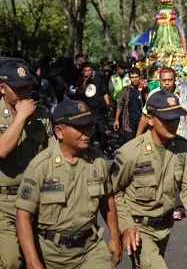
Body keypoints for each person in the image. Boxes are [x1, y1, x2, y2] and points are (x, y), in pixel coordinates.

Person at [15, 100, 122, 268]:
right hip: (51, 254)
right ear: (59, 132)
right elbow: (23, 215)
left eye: (89, 126)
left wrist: (115, 238)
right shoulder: (40, 165)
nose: (87, 132)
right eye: (80, 128)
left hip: (89, 248)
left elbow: (107, 201)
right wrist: (32, 261)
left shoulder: (97, 160)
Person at [110, 90, 187, 268]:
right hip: (138, 228)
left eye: (176, 118)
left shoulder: (182, 148)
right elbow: (114, 191)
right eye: (167, 119)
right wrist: (126, 226)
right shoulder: (130, 152)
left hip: (165, 226)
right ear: (150, 119)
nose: (173, 124)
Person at [0, 59, 53, 269]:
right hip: (4, 202)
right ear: (2, 89)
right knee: (11, 261)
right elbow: (2, 150)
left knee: (43, 259)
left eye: (28, 86)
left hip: (35, 198)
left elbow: (52, 154)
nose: (25, 92)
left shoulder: (41, 115)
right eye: (18, 88)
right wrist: (20, 117)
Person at [75, 62, 111, 154]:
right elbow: (80, 92)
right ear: (82, 71)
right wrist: (85, 81)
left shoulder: (98, 79)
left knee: (101, 129)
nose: (88, 72)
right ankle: (90, 149)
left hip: (100, 107)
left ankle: (104, 147)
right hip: (88, 109)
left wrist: (108, 105)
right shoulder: (80, 80)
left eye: (89, 70)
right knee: (90, 129)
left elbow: (104, 92)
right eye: (85, 70)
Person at [136, 67, 176, 137]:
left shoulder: (181, 94)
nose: (167, 83)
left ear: (174, 80)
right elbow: (145, 116)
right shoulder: (154, 94)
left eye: (170, 80)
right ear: (159, 81)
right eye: (164, 80)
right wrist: (137, 137)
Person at [114, 67, 143, 145]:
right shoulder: (125, 90)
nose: (135, 79)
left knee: (141, 143)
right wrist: (116, 120)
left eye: (136, 77)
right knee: (130, 143)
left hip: (142, 121)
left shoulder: (144, 89)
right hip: (129, 121)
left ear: (139, 77)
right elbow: (120, 104)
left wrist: (144, 89)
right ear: (129, 78)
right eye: (132, 77)